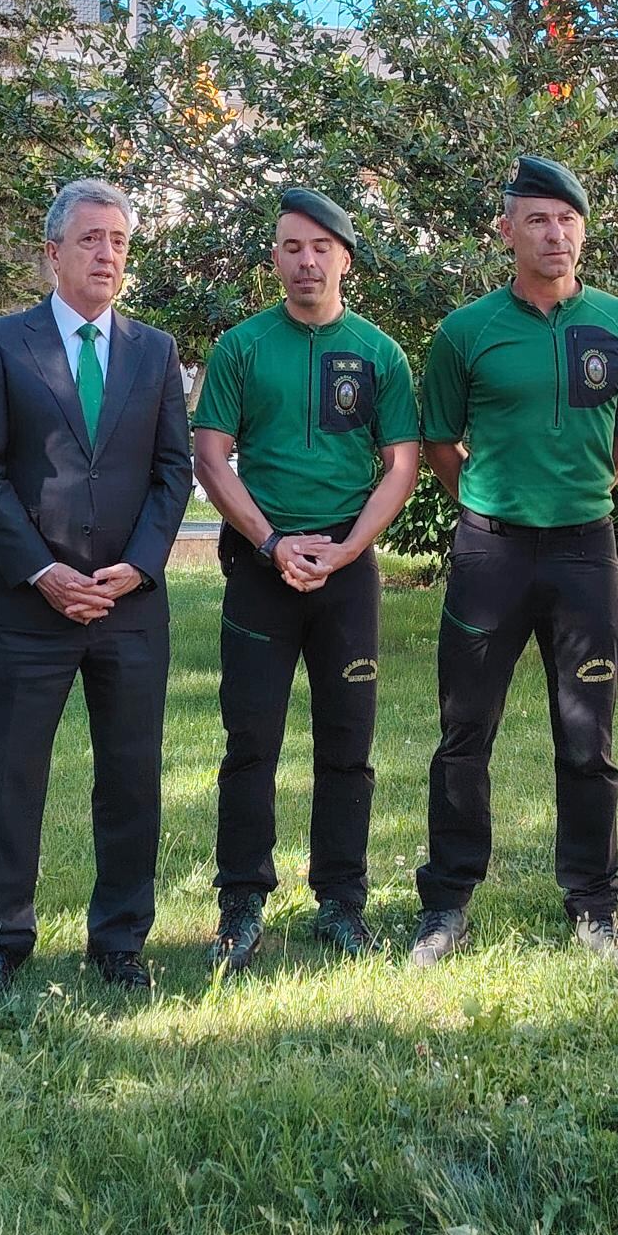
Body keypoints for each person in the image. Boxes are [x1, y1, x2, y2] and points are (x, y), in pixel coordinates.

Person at [411, 156, 618, 968]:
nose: (557, 235)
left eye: (569, 220)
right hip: (491, 552)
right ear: (507, 231)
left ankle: (594, 907)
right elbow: (442, 443)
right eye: (539, 220)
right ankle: (446, 905)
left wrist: (577, 493)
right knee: (463, 732)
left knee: (589, 738)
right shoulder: (466, 331)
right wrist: (488, 501)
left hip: (587, 551)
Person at [0, 178, 193, 998]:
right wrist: (44, 571)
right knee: (13, 775)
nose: (108, 255)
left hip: (129, 607)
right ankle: (0, 941)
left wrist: (142, 564)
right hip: (30, 605)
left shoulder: (155, 352)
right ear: (52, 251)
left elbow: (173, 470)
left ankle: (121, 939)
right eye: (91, 239)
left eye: (120, 242)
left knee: (130, 775)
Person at [192, 188, 420, 970]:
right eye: (291, 247)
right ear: (276, 259)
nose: (305, 261)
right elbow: (212, 457)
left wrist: (351, 548)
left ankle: (341, 901)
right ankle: (242, 901)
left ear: (345, 258)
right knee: (250, 738)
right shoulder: (243, 347)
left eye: (320, 247)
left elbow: (401, 465)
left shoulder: (381, 354)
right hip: (263, 569)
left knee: (348, 743)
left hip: (347, 577)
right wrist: (273, 541)